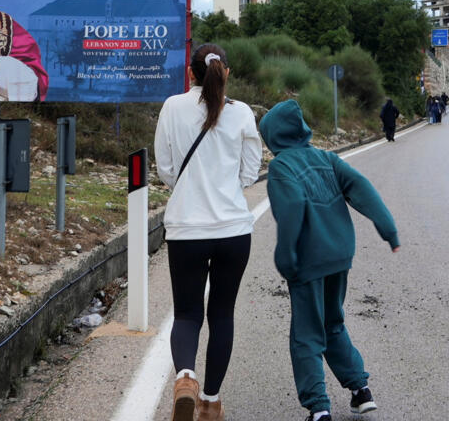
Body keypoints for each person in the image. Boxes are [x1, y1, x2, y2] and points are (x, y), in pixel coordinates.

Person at [258, 99, 400, 421]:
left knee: (306, 333)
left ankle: (318, 407)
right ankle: (360, 390)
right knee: (332, 322)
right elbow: (362, 188)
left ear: (273, 137)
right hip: (339, 255)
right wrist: (388, 230)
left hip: (308, 260)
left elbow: (292, 207)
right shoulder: (327, 158)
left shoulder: (281, 167)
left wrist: (286, 256)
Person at [154, 43, 262, 421]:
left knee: (186, 314)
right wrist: (225, 187)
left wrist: (188, 189)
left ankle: (185, 379)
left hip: (187, 228)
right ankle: (211, 403)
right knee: (222, 314)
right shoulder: (243, 113)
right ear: (226, 73)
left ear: (190, 73)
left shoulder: (172, 107)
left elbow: (166, 169)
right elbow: (251, 172)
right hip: (233, 229)